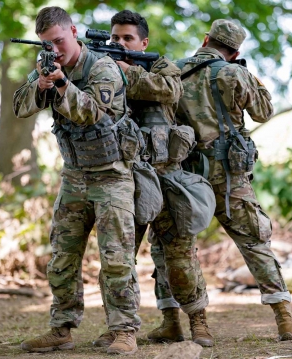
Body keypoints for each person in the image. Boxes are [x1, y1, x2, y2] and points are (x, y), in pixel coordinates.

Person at [12, 6, 141, 355]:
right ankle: (62, 328)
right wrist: (40, 85)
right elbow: (20, 106)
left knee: (116, 258)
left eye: (59, 40)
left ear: (73, 30)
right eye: (47, 44)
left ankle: (125, 330)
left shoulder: (103, 67)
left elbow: (90, 113)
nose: (55, 49)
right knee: (63, 256)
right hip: (74, 176)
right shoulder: (48, 66)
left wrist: (62, 84)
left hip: (111, 175)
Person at [174, 19, 292, 341]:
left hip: (186, 175)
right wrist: (246, 72)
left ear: (205, 39)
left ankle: (197, 324)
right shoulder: (234, 72)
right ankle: (284, 317)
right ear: (235, 52)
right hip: (228, 176)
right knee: (255, 242)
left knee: (180, 248)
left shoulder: (174, 71)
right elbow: (263, 111)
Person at [92, 10, 214, 348]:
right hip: (124, 178)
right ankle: (121, 326)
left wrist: (127, 72)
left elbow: (168, 91)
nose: (119, 43)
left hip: (166, 176)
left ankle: (198, 322)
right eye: (115, 37)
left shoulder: (161, 67)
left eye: (127, 38)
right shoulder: (99, 69)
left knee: (179, 256)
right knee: (118, 257)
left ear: (143, 42)